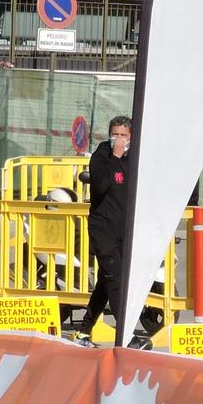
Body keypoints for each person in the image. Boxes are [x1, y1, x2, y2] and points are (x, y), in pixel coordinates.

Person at [77, 115, 134, 343]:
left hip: (125, 229)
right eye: (115, 135)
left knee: (105, 281)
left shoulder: (136, 157)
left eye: (123, 135)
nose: (118, 140)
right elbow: (100, 185)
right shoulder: (102, 155)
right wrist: (115, 157)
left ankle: (84, 330)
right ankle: (127, 333)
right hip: (103, 227)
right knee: (116, 279)